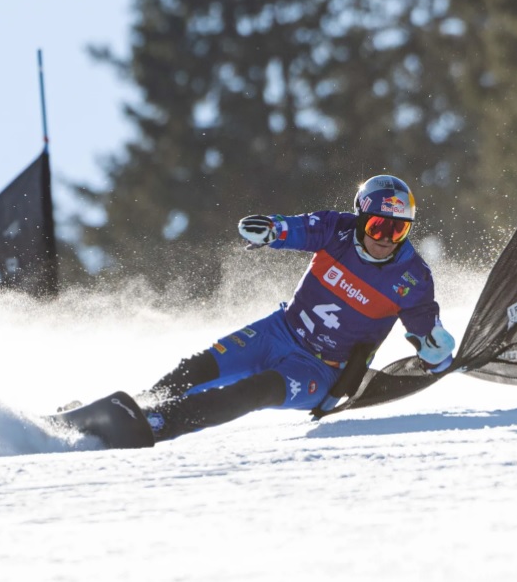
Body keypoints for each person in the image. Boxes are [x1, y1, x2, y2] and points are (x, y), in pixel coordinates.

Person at [136, 174, 454, 442]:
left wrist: (436, 350)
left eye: (398, 230)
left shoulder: (413, 276)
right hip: (279, 331)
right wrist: (272, 231)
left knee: (254, 391)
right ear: (360, 218)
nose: (386, 239)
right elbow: (299, 228)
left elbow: (428, 339)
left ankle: (162, 424)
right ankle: (140, 408)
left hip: (322, 370)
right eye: (377, 227)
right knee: (198, 367)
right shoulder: (336, 228)